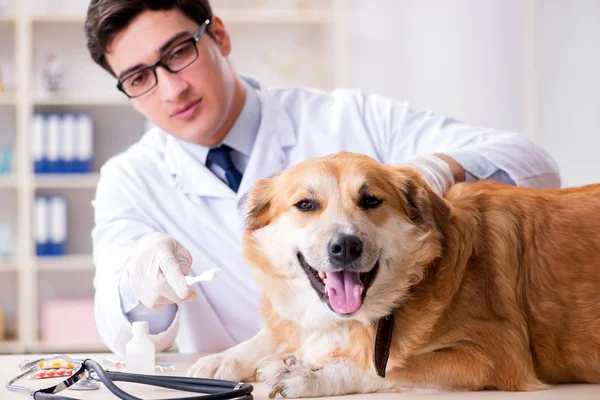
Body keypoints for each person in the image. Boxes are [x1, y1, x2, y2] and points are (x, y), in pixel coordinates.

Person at [85, 0, 561, 357]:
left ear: (220, 37)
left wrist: (426, 174)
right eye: (139, 78)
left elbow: (534, 166)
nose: (172, 88)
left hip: (380, 379)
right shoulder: (129, 180)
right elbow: (119, 328)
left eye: (180, 51)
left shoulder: (349, 116)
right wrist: (138, 281)